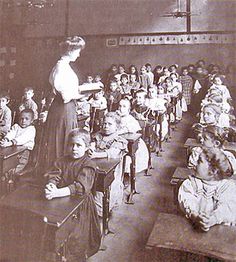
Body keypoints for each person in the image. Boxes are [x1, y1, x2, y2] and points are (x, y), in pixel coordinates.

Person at [44, 128, 101, 261]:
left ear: (86, 147)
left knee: (77, 238)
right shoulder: (61, 161)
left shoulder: (89, 164)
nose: (74, 148)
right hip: (62, 202)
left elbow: (80, 187)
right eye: (71, 145)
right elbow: (54, 175)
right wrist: (51, 185)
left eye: (78, 145)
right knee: (57, 230)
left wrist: (58, 192)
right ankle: (60, 254)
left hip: (81, 205)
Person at [41, 36, 87, 168]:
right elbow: (66, 95)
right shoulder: (61, 67)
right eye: (78, 51)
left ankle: (64, 173)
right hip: (63, 108)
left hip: (66, 108)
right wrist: (83, 93)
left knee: (66, 140)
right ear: (70, 50)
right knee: (62, 141)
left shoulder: (64, 66)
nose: (78, 55)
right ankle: (58, 175)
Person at [179, 126, 236, 232]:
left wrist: (213, 219)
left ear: (213, 171)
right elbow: (187, 200)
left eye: (200, 161)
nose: (195, 164)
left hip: (222, 231)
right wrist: (195, 215)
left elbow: (228, 208)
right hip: (193, 225)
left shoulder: (227, 187)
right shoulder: (191, 183)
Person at [88, 112, 127, 214]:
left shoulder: (118, 140)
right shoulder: (97, 135)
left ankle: (100, 211)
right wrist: (91, 149)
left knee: (103, 190)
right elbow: (91, 145)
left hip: (110, 169)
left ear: (117, 127)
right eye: (105, 123)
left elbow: (112, 153)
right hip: (96, 164)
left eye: (110, 124)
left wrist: (96, 154)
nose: (106, 126)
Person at [117, 98, 149, 173]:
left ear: (129, 109)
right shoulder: (115, 117)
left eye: (124, 106)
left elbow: (130, 131)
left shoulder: (130, 120)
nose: (121, 109)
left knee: (126, 156)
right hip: (117, 141)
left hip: (130, 143)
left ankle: (126, 173)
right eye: (119, 106)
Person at [0, 109, 36, 174]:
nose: (23, 121)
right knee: (5, 161)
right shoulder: (16, 126)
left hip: (24, 152)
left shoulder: (31, 129)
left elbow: (23, 138)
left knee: (17, 167)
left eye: (26, 119)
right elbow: (11, 133)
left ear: (31, 121)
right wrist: (6, 139)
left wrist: (11, 142)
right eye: (21, 118)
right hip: (13, 150)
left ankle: (10, 175)